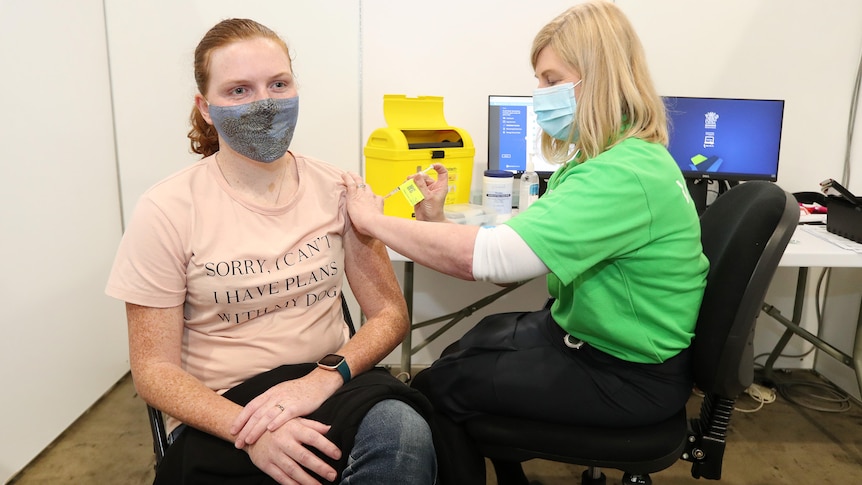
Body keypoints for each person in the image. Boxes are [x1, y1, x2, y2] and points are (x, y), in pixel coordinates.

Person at [341, 1, 709, 482]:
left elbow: (493, 260)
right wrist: (432, 219)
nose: (540, 95)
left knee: (435, 390)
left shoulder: (622, 175)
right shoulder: (604, 161)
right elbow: (513, 245)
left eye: (553, 81)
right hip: (588, 339)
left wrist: (372, 219)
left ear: (599, 76)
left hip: (625, 375)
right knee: (461, 353)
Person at [105, 18, 437, 485]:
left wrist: (322, 379)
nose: (264, 103)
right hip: (223, 409)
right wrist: (251, 432)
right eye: (239, 90)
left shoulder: (338, 188)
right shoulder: (166, 210)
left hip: (329, 384)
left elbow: (388, 313)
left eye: (278, 84)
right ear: (204, 108)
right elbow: (154, 371)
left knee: (404, 435)